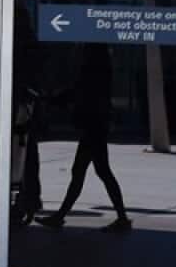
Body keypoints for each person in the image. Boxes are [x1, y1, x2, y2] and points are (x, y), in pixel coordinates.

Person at [36, 42, 132, 233]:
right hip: (96, 125)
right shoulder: (101, 69)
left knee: (85, 171)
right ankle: (121, 218)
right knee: (98, 171)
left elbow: (77, 91)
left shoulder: (92, 69)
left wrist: (51, 99)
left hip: (93, 126)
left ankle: (61, 216)